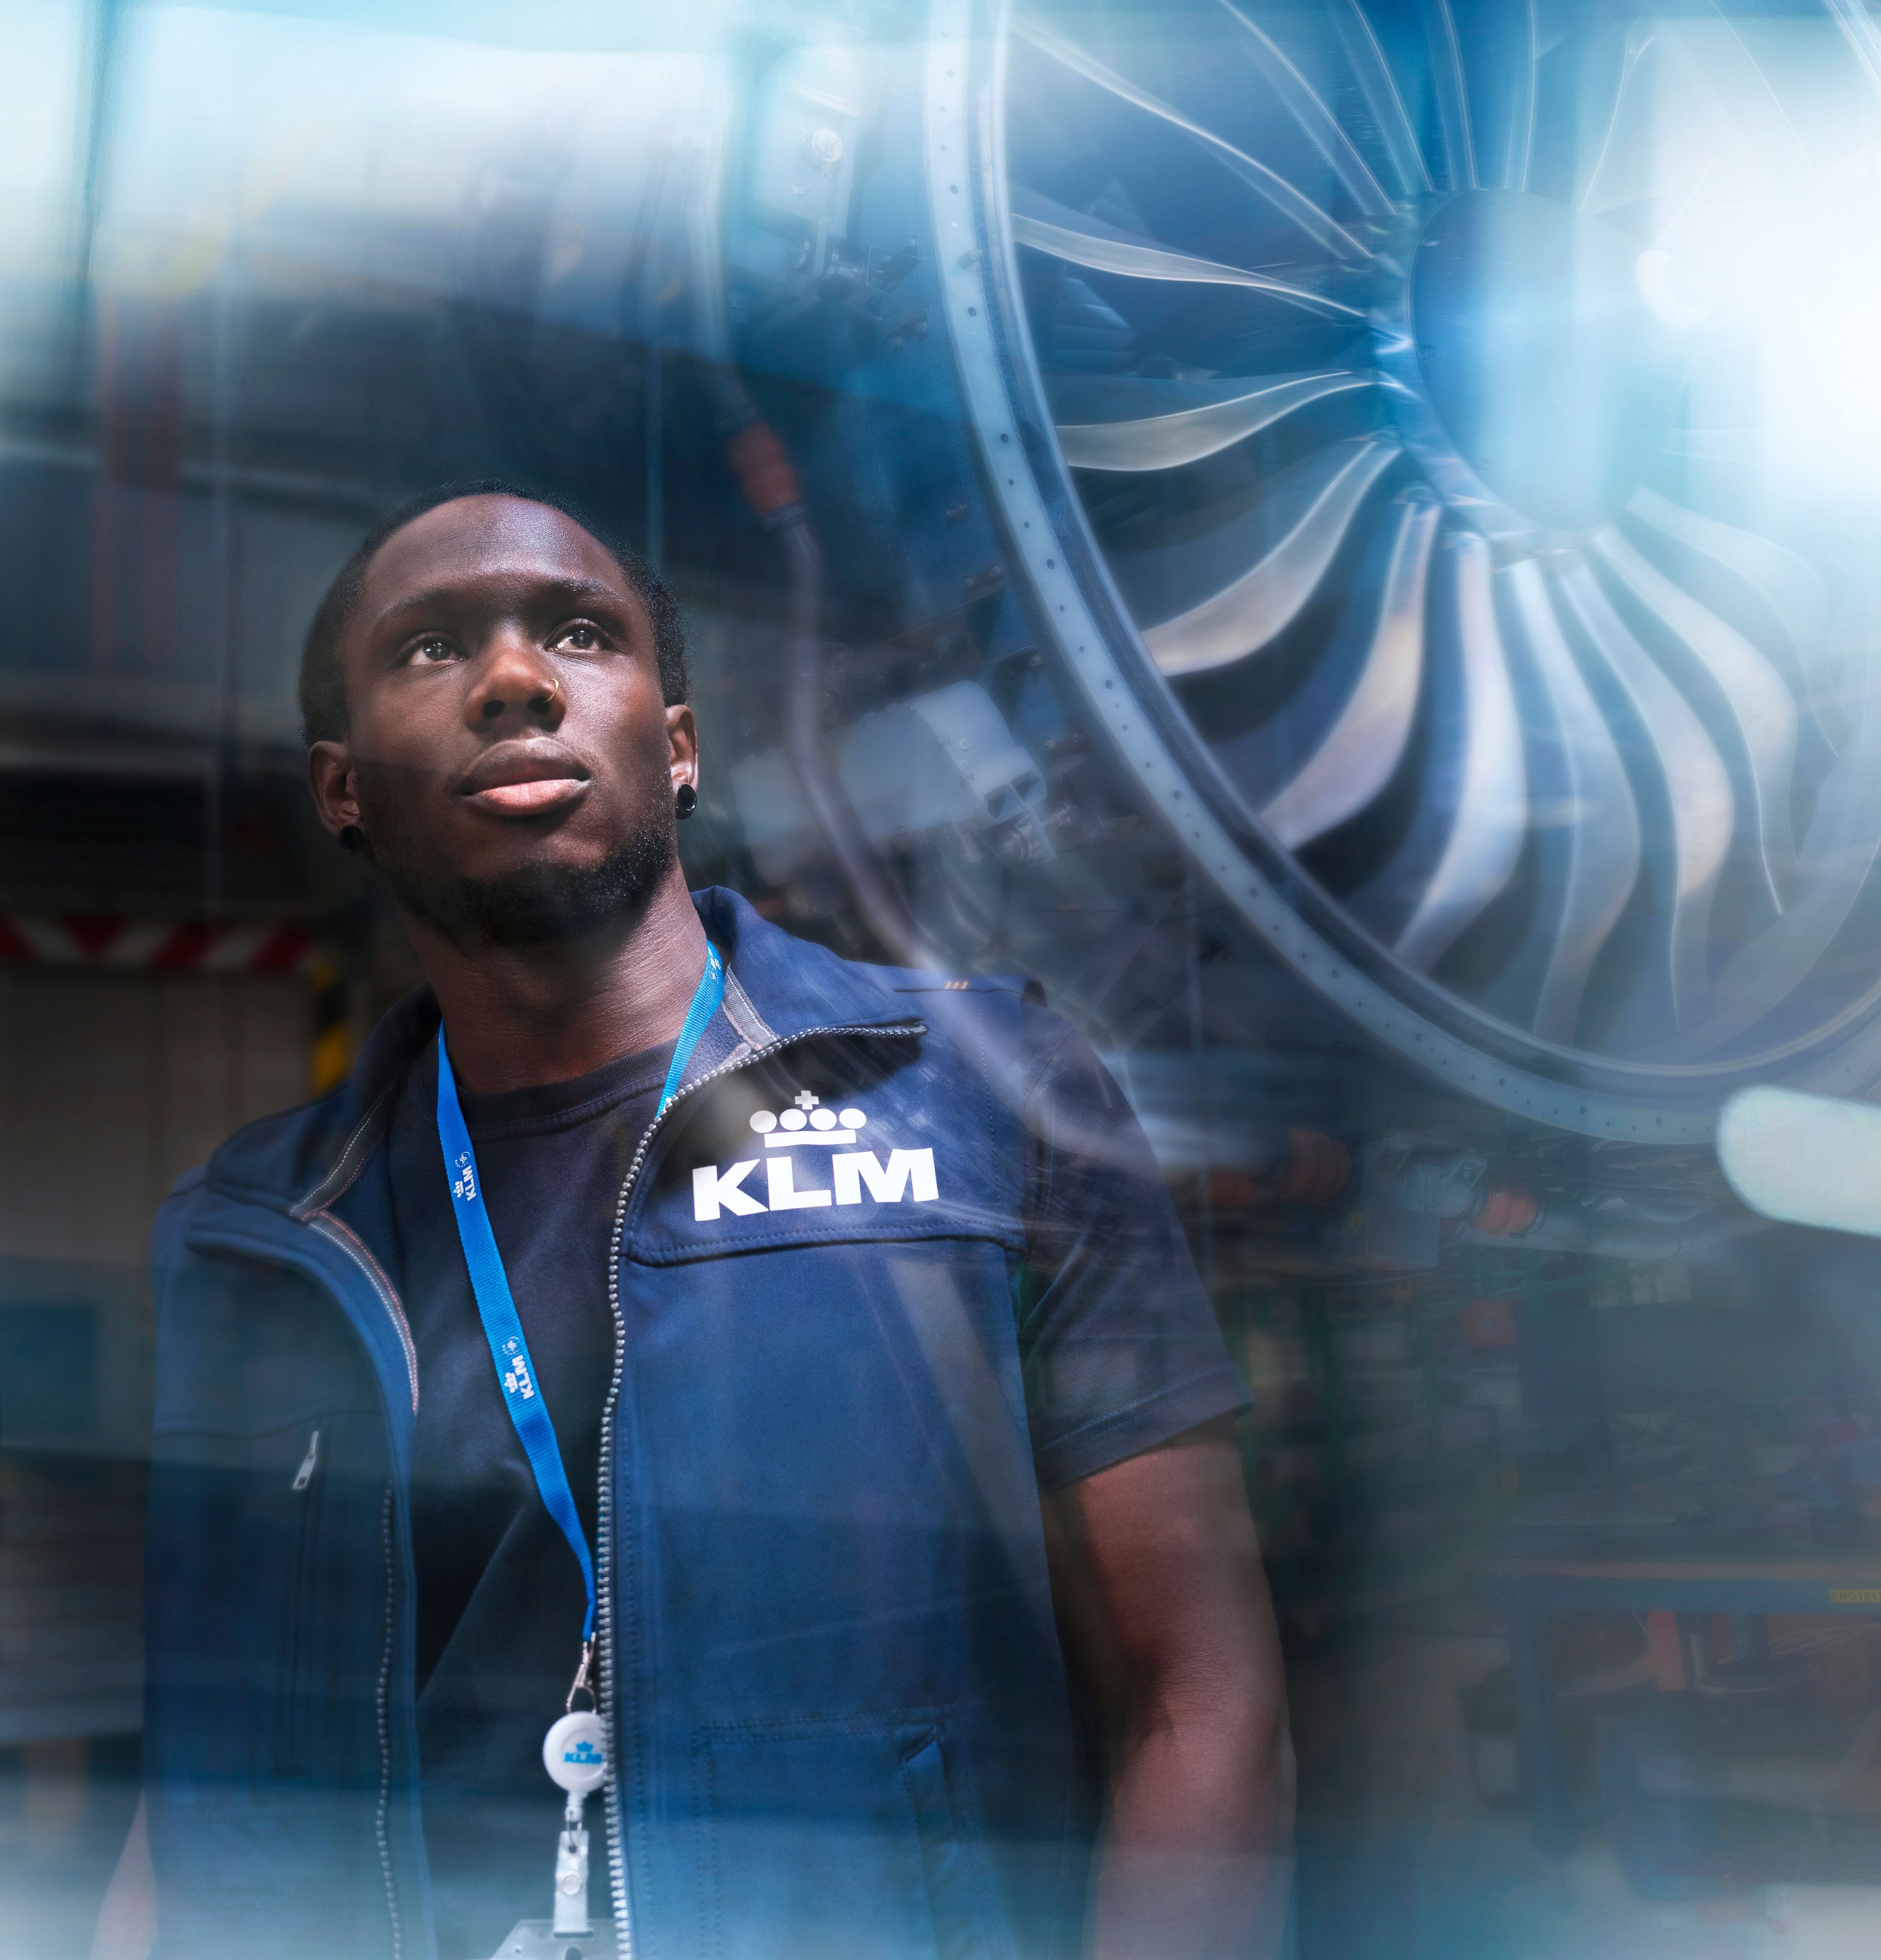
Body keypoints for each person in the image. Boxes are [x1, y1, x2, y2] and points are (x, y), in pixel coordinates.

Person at [95, 483, 1294, 1960]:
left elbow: (1202, 1696)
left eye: (582, 634)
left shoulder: (981, 1099)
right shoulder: (255, 1235)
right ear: (342, 788)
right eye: (429, 648)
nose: (517, 680)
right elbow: (207, 1796)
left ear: (676, 745)